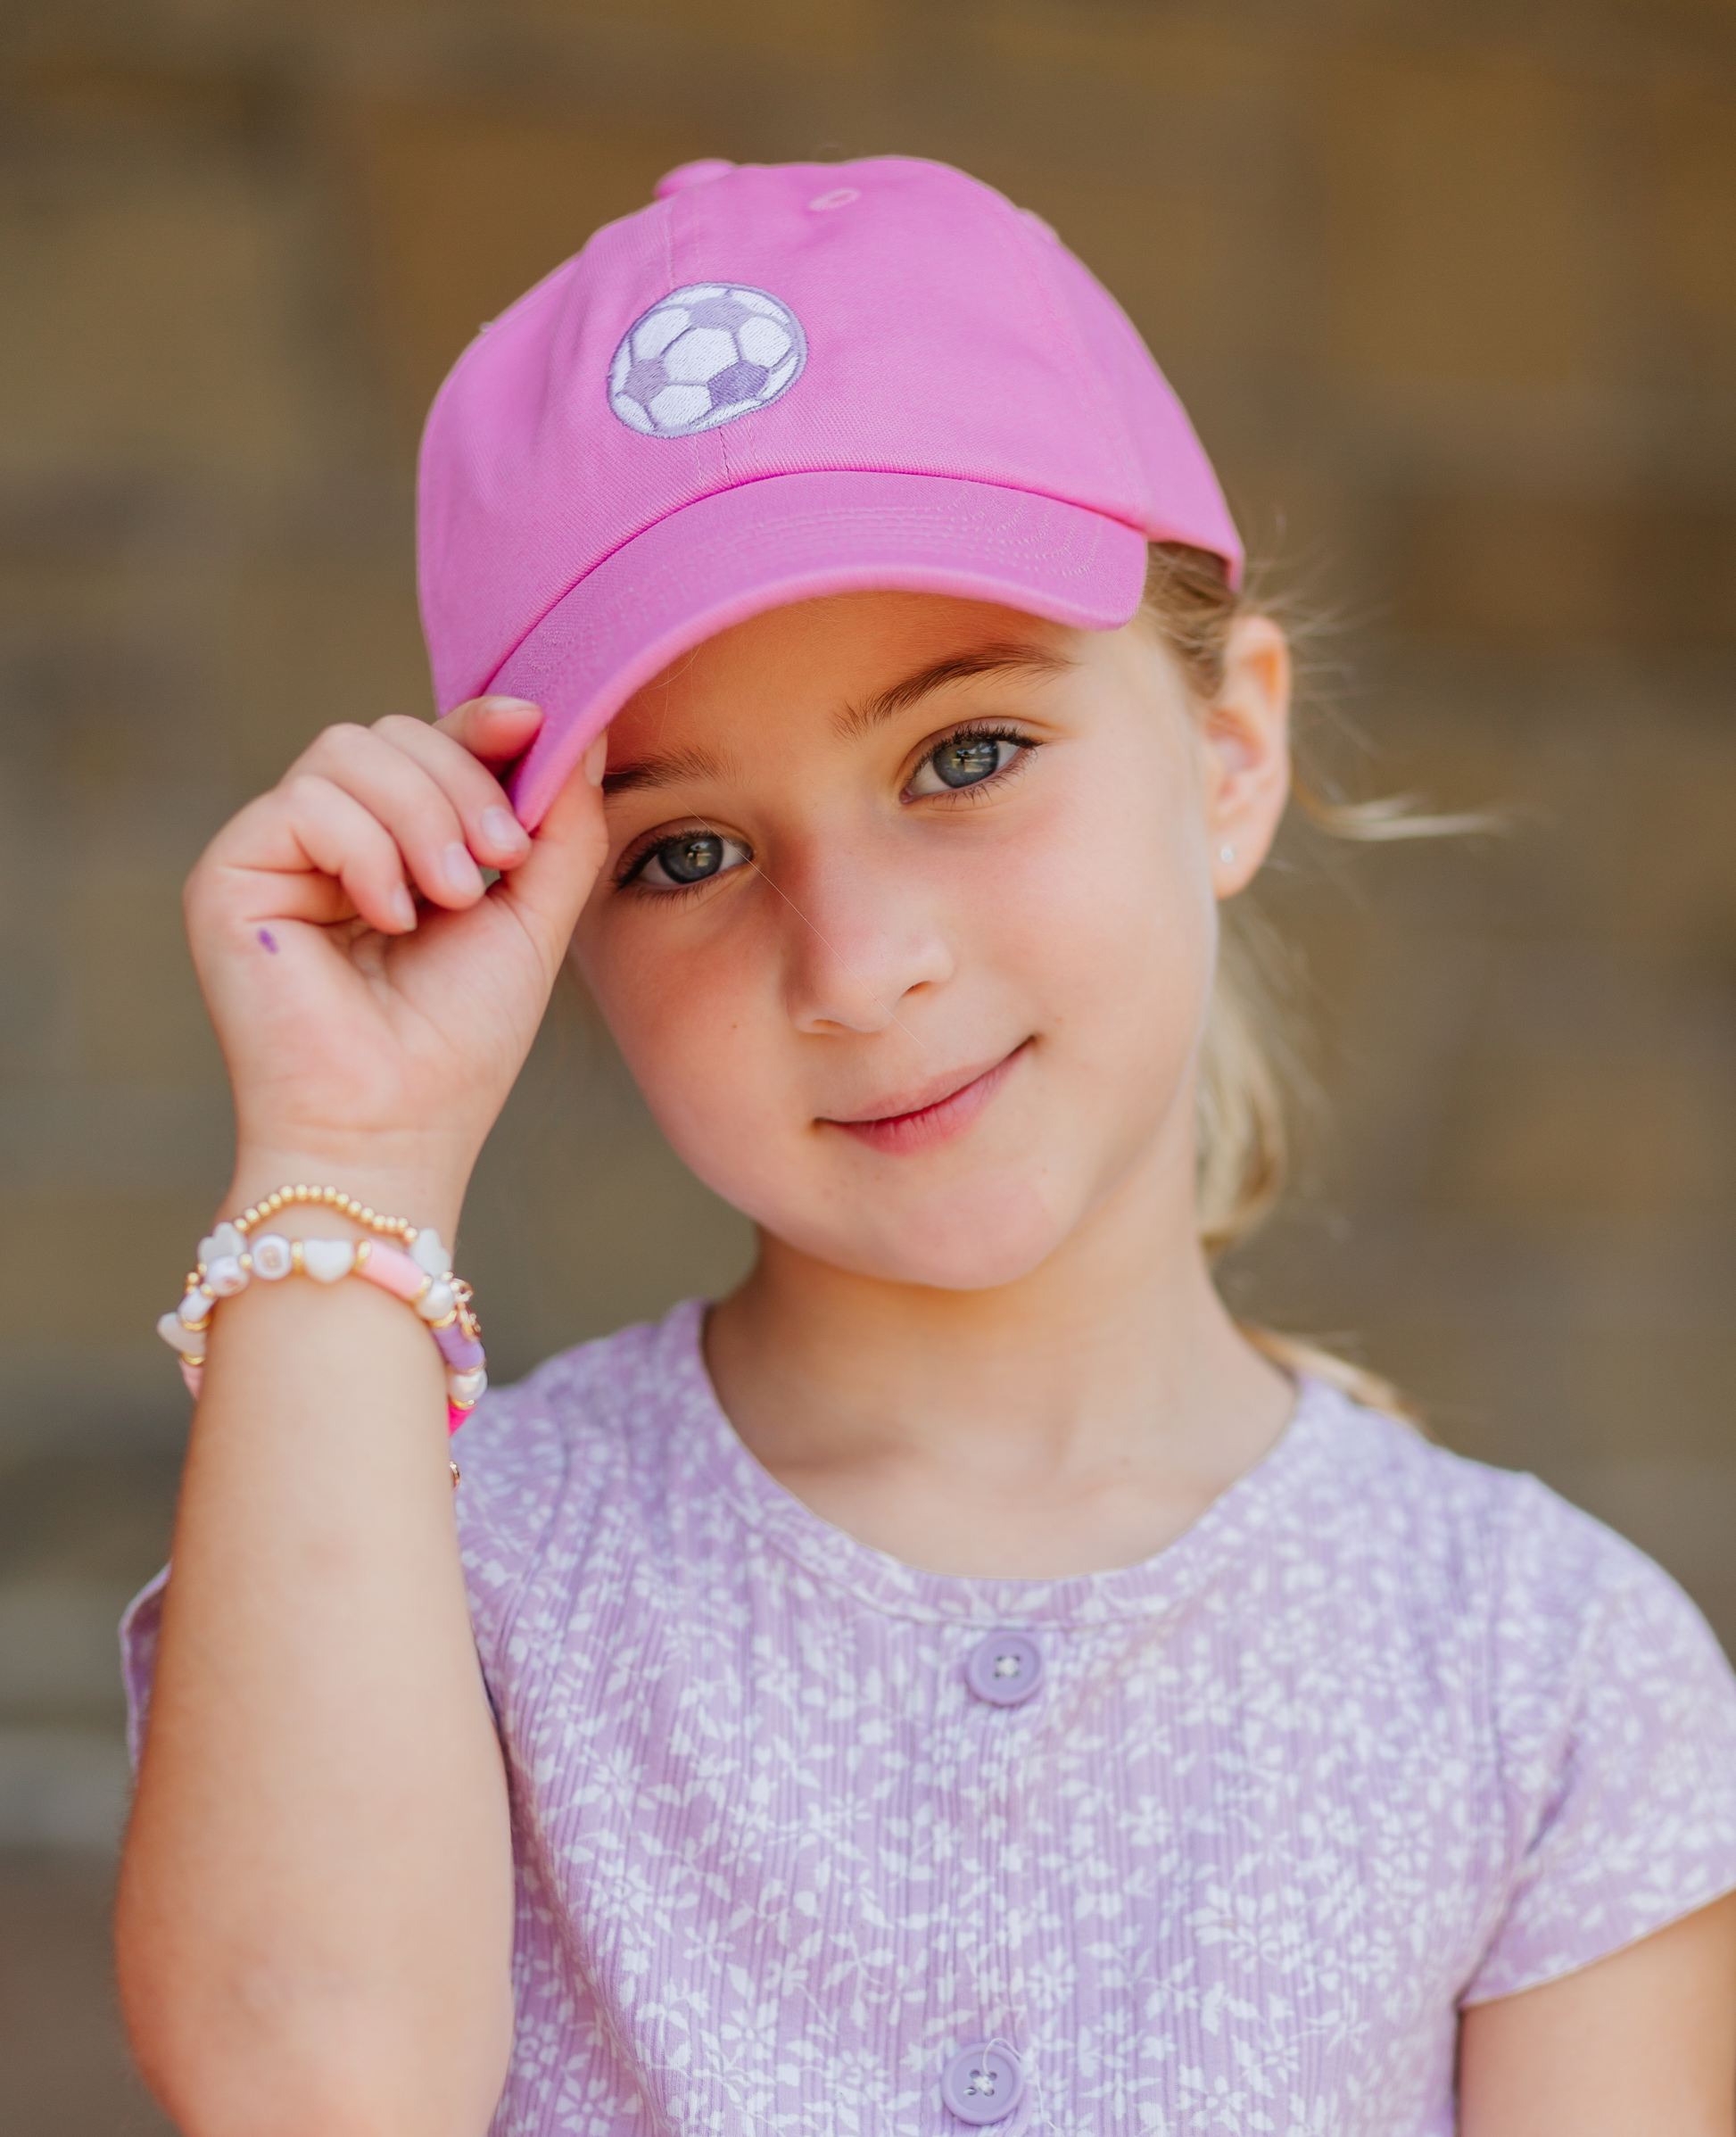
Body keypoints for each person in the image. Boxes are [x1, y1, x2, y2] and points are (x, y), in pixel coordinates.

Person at [113, 157, 1736, 2137]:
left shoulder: (1543, 1675)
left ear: (1227, 753)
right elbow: (306, 2096)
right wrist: (348, 1156)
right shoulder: (432, 1572)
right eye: (682, 851)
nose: (858, 967)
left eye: (962, 756)